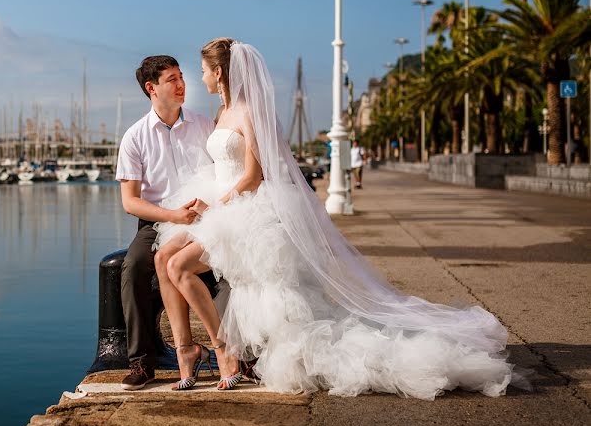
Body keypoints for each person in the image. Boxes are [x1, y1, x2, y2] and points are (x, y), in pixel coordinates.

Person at [153, 38, 522, 399]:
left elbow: (254, 176)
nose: (200, 78)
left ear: (218, 72)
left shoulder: (251, 112)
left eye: (203, 71)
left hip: (241, 208)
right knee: (163, 257)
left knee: (182, 267)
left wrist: (216, 207)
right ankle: (188, 350)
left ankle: (222, 350)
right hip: (218, 202)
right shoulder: (221, 113)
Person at [115, 55, 215, 390]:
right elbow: (130, 202)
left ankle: (239, 351)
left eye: (182, 76)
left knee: (233, 259)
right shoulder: (135, 137)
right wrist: (173, 216)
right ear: (151, 88)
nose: (181, 83)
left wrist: (205, 207)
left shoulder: (204, 125)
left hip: (206, 216)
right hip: (158, 221)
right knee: (132, 267)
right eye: (171, 79)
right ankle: (142, 362)